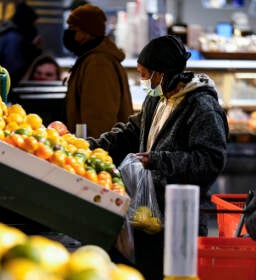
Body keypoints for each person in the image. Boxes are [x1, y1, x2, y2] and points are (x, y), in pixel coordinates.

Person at [87, 35, 229, 280]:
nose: (143, 81)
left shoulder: (202, 108)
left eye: (145, 74)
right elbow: (131, 131)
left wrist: (157, 160)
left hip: (180, 216)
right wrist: (90, 146)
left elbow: (210, 161)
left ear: (162, 73)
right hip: (148, 213)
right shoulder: (157, 98)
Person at [63, 4, 133, 138]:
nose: (68, 32)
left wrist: (93, 153)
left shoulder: (98, 64)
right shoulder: (89, 59)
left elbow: (99, 121)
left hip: (100, 152)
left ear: (86, 32)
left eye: (73, 28)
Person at [0, 1, 42, 88]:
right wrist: (33, 48)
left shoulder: (8, 34)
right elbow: (14, 66)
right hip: (11, 85)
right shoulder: (14, 38)